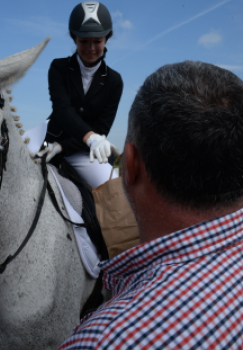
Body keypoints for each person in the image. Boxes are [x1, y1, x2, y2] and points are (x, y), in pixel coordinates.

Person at [57, 61, 243, 349]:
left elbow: (97, 119)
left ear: (129, 164)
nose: (90, 47)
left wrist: (93, 138)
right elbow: (62, 109)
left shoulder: (100, 341)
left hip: (90, 149)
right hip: (65, 144)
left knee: (106, 193)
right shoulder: (62, 71)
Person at [37, 1, 123, 188]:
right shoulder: (58, 68)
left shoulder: (114, 81)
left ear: (106, 39)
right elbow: (62, 109)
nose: (91, 48)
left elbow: (102, 127)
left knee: (114, 187)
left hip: (83, 151)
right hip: (49, 143)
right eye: (84, 41)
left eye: (97, 41)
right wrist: (90, 137)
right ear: (74, 38)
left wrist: (65, 147)